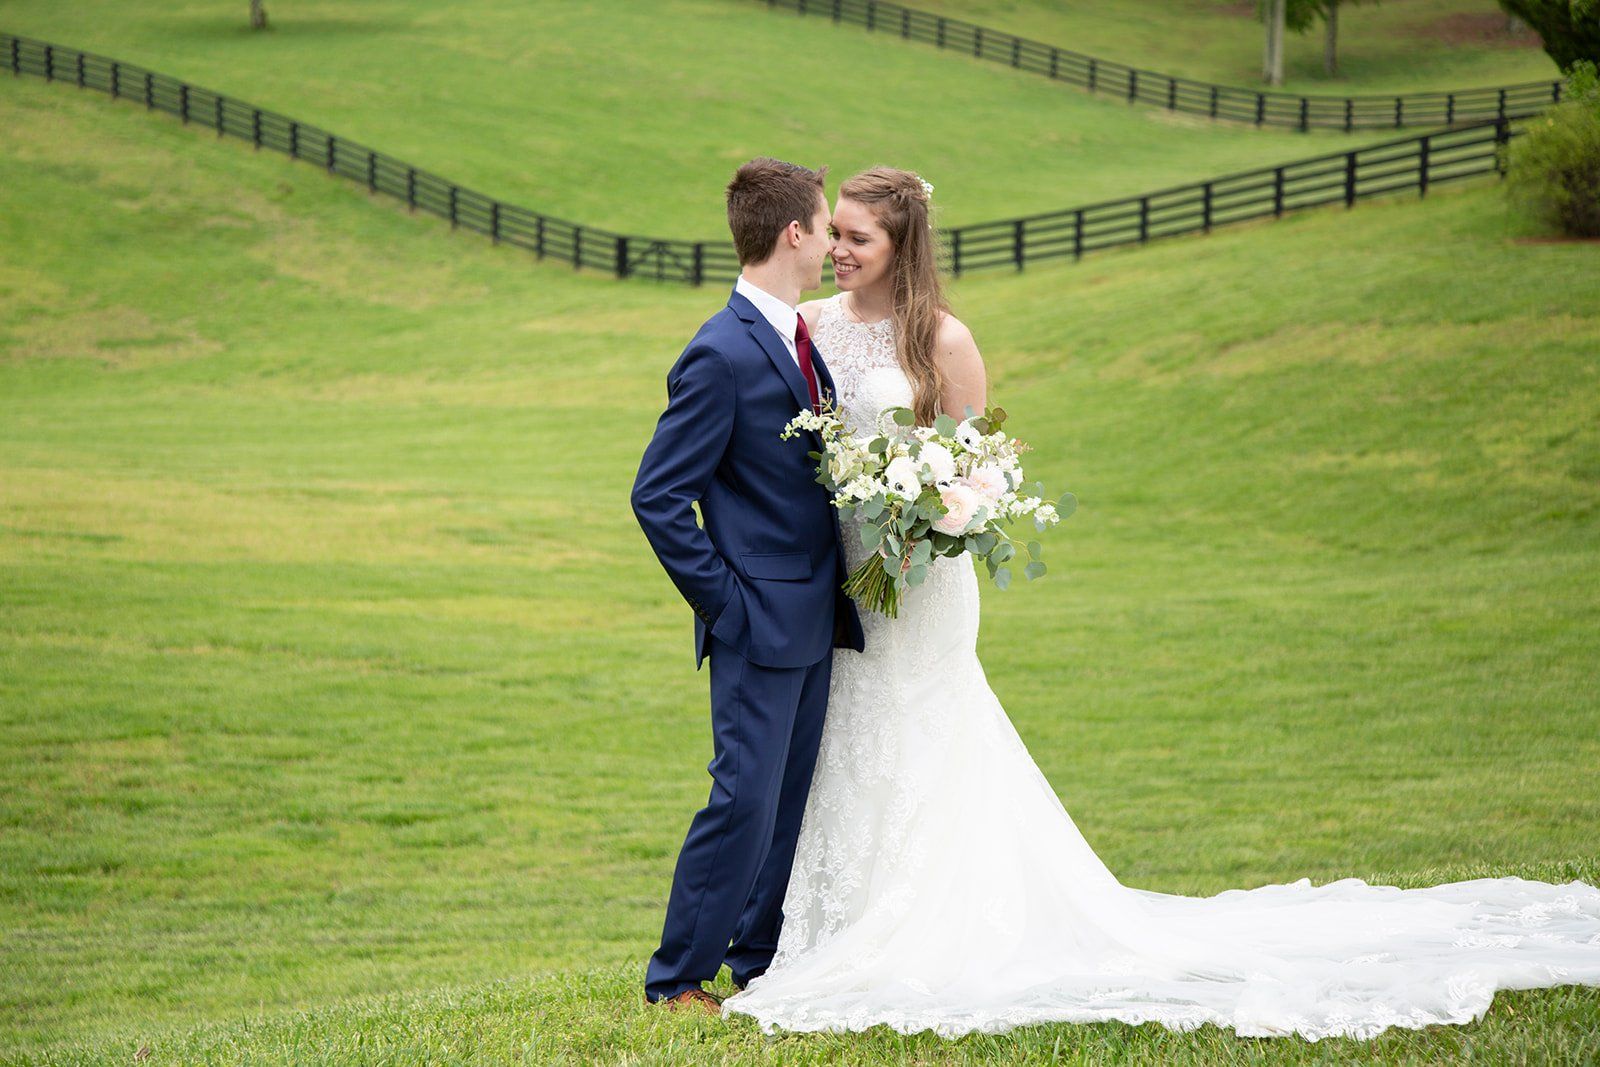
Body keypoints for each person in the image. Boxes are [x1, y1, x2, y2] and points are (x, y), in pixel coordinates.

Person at [719, 166, 1600, 1040]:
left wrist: (937, 512)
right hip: (840, 578)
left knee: (920, 729)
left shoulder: (942, 340)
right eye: (835, 234)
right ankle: (826, 923)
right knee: (842, 739)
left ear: (901, 244)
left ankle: (921, 925)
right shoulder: (810, 328)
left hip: (922, 584)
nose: (837, 250)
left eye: (857, 238)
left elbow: (977, 466)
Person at [630, 157, 865, 1015]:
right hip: (757, 619)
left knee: (787, 798)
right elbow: (656, 495)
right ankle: (676, 978)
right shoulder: (721, 350)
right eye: (827, 225)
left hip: (815, 612)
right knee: (743, 799)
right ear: (792, 233)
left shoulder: (800, 337)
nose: (835, 240)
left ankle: (757, 959)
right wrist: (727, 605)